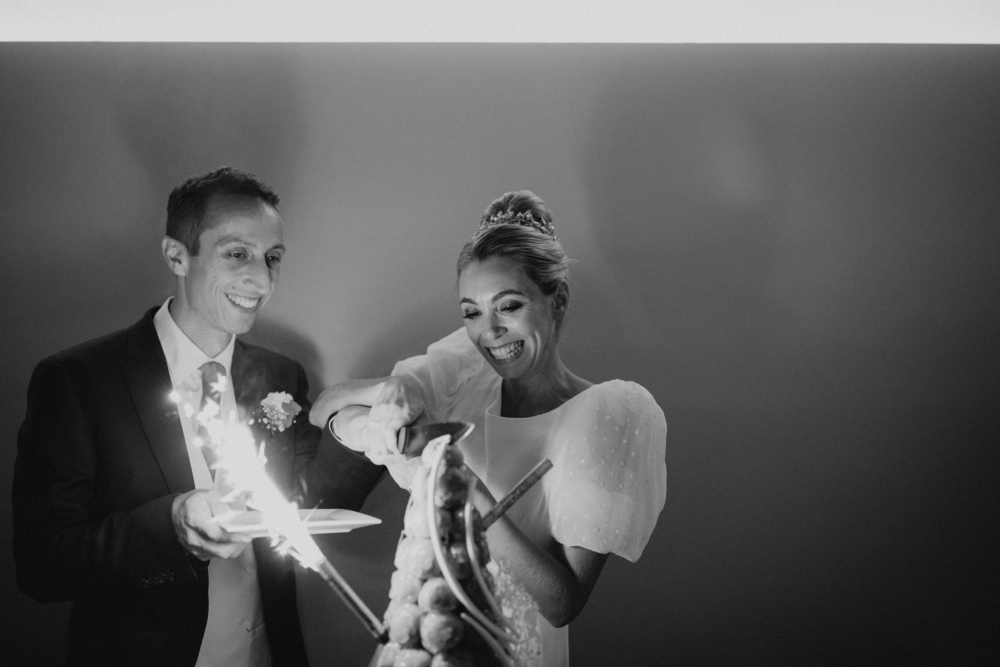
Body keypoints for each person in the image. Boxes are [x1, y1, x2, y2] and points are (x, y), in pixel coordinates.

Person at [12, 167, 383, 667]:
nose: (261, 278)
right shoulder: (78, 381)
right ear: (177, 256)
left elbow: (309, 504)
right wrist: (171, 525)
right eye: (237, 254)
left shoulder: (281, 374)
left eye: (272, 258)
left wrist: (356, 429)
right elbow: (42, 565)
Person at [309, 191, 667, 666]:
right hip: (419, 640)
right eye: (472, 312)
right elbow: (322, 409)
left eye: (509, 305)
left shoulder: (603, 414)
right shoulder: (464, 374)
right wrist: (389, 388)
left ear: (556, 300)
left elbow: (562, 603)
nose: (489, 331)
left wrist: (466, 491)